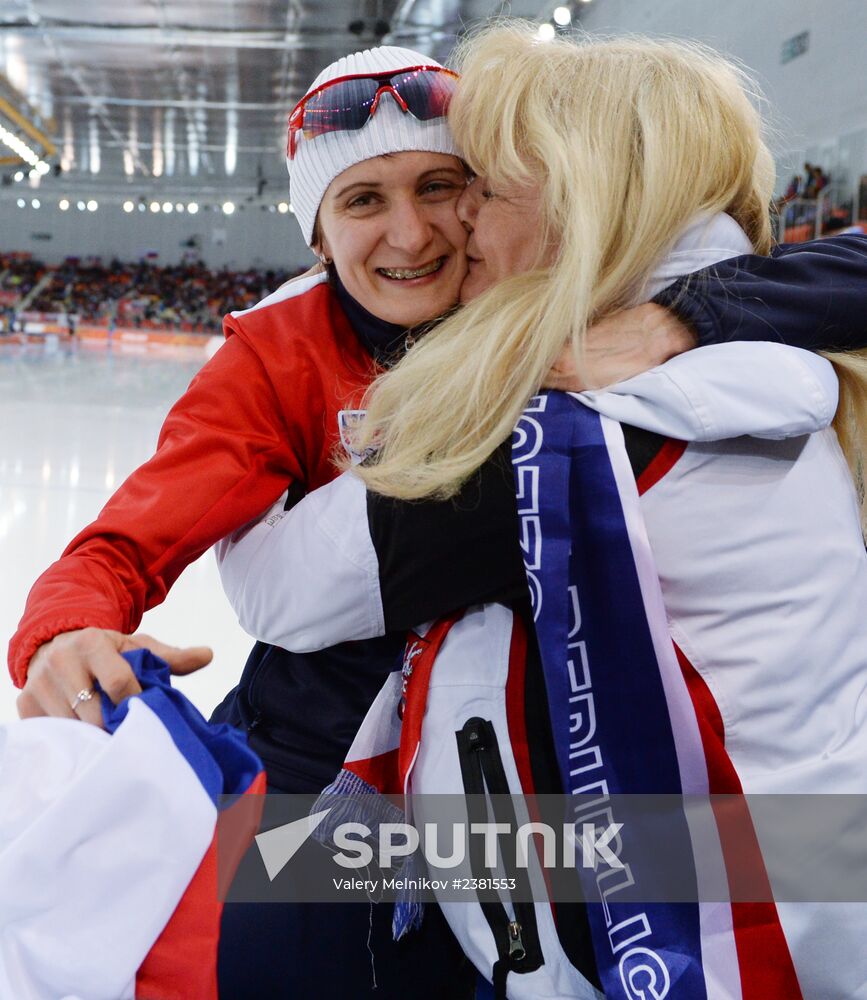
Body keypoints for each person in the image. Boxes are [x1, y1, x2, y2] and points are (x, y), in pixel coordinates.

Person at [8, 33, 867, 1000]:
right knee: (259, 953)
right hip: (325, 761)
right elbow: (136, 538)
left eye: (448, 186)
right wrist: (65, 629)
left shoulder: (556, 310)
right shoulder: (279, 353)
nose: (417, 235)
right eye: (364, 201)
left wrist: (692, 312)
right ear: (317, 234)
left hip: (509, 785)